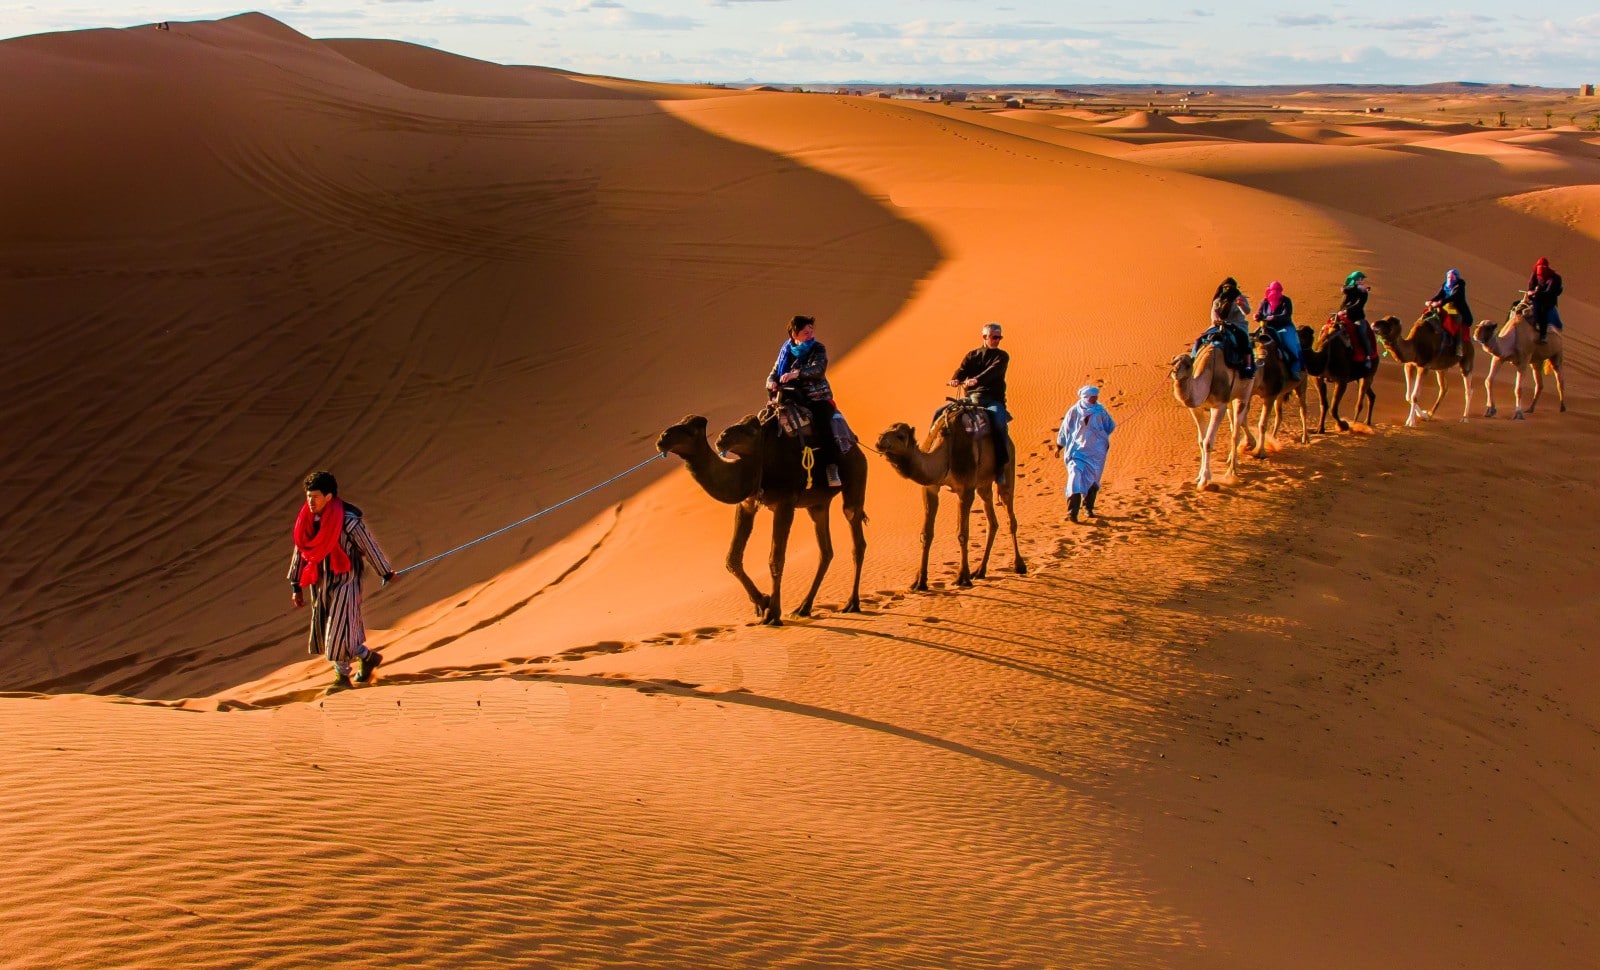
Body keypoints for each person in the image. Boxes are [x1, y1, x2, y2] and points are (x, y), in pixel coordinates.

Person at [289, 470, 397, 694]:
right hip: (319, 584)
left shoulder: (348, 521)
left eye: (315, 496)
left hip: (347, 581)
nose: (311, 501)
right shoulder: (306, 522)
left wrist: (385, 572)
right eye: (308, 496)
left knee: (337, 629)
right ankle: (368, 658)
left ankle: (341, 677)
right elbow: (301, 551)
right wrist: (295, 586)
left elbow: (368, 546)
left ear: (329, 497)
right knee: (339, 629)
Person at [766, 314, 843, 487]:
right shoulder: (786, 351)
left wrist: (797, 373)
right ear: (795, 335)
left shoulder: (817, 348)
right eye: (806, 332)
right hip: (791, 397)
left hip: (817, 398)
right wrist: (771, 382)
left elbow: (818, 369)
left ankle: (832, 469)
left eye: (811, 331)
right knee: (768, 420)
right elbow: (775, 371)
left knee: (824, 424)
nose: (810, 335)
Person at [948, 322, 1012, 485]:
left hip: (993, 400)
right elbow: (962, 369)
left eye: (999, 337)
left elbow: (993, 371)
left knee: (999, 423)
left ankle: (1000, 467)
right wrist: (956, 379)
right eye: (994, 337)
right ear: (985, 337)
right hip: (972, 397)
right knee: (945, 417)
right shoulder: (973, 355)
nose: (997, 340)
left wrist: (977, 379)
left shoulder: (1002, 356)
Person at [1057, 385, 1116, 523]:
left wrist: (1099, 435)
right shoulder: (1074, 411)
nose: (1094, 399)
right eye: (1092, 397)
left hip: (1096, 453)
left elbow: (1110, 426)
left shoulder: (1100, 411)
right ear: (1084, 397)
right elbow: (1065, 428)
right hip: (1077, 451)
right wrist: (1059, 446)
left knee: (1093, 479)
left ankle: (1088, 508)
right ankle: (1072, 513)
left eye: (1096, 397)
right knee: (1074, 479)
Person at [1197, 278, 1254, 377]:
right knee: (1200, 339)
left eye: (1230, 287)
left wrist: (1241, 305)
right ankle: (1193, 359)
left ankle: (1248, 367)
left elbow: (1247, 311)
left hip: (1237, 325)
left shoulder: (1239, 298)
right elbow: (1214, 312)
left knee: (1244, 341)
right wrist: (1216, 320)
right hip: (1219, 325)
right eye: (1225, 287)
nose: (1227, 289)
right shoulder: (1219, 300)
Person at [1253, 280, 1303, 379]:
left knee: (1290, 343)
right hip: (1267, 327)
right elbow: (1259, 313)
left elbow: (1286, 315)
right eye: (1273, 290)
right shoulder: (1265, 301)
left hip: (1284, 327)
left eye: (1277, 290)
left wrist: (1273, 317)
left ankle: (1295, 368)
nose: (1274, 292)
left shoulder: (1286, 301)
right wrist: (1257, 316)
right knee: (1253, 339)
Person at [1426, 268, 1473, 358]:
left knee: (1457, 320)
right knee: (1429, 313)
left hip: (1455, 308)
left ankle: (1459, 346)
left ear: (1456, 278)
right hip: (1445, 306)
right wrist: (1431, 301)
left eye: (1452, 277)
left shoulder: (1459, 286)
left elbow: (1455, 296)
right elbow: (1439, 295)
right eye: (1448, 277)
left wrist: (1440, 302)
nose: (1450, 279)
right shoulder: (1445, 285)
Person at [1340, 270, 1379, 362]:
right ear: (1353, 280)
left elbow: (1359, 304)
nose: (1361, 281)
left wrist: (1347, 311)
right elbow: (1344, 296)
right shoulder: (1348, 290)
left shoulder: (1363, 292)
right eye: (1359, 279)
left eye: (1362, 279)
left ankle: (1368, 356)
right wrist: (1342, 311)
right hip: (1344, 316)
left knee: (1362, 332)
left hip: (1357, 317)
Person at [1527, 257, 1563, 343]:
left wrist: (1536, 293)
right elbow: (1530, 286)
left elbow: (1549, 292)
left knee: (1542, 311)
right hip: (1535, 297)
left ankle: (1543, 335)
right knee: (1516, 305)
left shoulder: (1554, 278)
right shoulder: (1535, 274)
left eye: (1544, 266)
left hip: (1548, 299)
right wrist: (1531, 292)